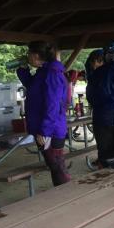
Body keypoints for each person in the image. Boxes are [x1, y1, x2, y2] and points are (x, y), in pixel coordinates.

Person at [16, 41, 71, 186]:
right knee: (55, 167)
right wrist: (22, 71)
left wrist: (44, 131)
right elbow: (34, 87)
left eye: (29, 54)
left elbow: (52, 105)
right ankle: (64, 197)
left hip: (50, 130)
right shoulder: (44, 72)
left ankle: (66, 198)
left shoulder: (51, 74)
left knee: (57, 168)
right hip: (47, 128)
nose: (27, 57)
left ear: (35, 56)